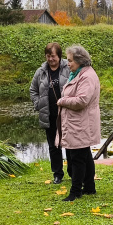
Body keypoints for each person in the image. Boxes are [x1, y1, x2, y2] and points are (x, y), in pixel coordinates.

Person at [55, 44, 101, 202]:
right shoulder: (78, 73)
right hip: (78, 122)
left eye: (70, 61)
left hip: (81, 123)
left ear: (80, 60)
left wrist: (62, 101)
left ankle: (76, 191)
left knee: (77, 158)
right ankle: (89, 187)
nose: (68, 64)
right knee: (85, 155)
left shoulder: (87, 76)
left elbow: (82, 100)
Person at [29, 42, 70, 184]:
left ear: (59, 55)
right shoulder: (40, 72)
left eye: (53, 56)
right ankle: (57, 174)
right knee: (54, 146)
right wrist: (38, 104)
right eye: (48, 56)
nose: (51, 59)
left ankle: (72, 171)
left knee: (70, 143)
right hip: (49, 115)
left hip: (67, 114)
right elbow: (33, 90)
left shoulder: (68, 68)